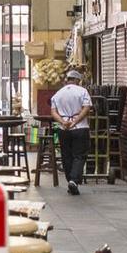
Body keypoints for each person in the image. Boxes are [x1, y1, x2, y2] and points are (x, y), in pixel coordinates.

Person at [50, 66, 92, 195]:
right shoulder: (83, 91)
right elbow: (86, 108)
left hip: (63, 129)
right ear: (78, 80)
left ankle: (70, 181)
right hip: (80, 128)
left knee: (66, 155)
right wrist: (75, 121)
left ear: (67, 80)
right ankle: (74, 180)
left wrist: (63, 122)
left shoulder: (58, 94)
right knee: (79, 155)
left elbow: (53, 112)